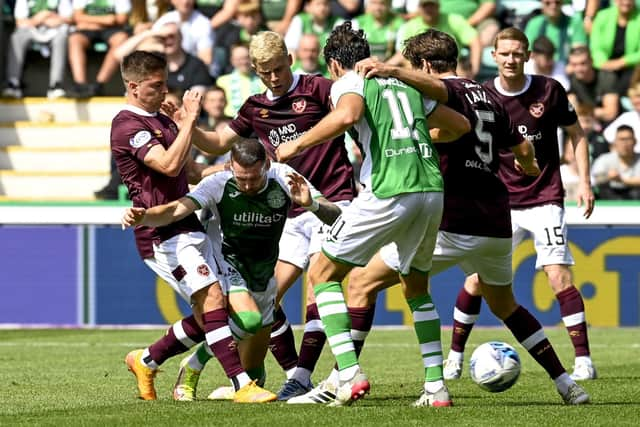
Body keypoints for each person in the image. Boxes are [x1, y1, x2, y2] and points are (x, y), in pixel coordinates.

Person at [346, 28, 590, 406]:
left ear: (425, 66)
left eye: (415, 67)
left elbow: (443, 99)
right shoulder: (489, 95)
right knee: (506, 305)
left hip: (453, 219)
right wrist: (527, 165)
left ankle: (344, 377)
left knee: (360, 283)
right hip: (495, 221)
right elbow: (523, 146)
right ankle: (567, 384)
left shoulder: (451, 92)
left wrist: (391, 71)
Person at [275, 21, 471, 406]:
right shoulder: (405, 83)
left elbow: (347, 116)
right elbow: (460, 126)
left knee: (323, 273)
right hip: (430, 190)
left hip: (388, 189)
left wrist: (295, 145)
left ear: (333, 64)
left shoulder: (349, 81)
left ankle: (347, 375)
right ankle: (435, 386)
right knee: (415, 286)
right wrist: (420, 138)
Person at [170, 30, 359, 402]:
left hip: (330, 203)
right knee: (262, 302)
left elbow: (346, 116)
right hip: (288, 214)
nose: (274, 78)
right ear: (255, 70)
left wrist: (301, 144)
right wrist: (187, 125)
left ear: (289, 58)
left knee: (318, 290)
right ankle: (252, 379)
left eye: (277, 69)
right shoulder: (255, 107)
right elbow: (218, 143)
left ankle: (301, 376)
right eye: (265, 72)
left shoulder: (318, 88)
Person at [121, 138, 342, 402]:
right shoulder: (218, 183)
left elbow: (335, 214)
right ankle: (194, 366)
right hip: (226, 263)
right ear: (230, 167)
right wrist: (144, 216)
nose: (247, 185)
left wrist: (311, 204)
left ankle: (150, 358)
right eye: (241, 178)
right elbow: (176, 210)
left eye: (253, 178)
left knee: (255, 369)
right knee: (248, 321)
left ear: (267, 165)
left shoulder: (285, 178)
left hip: (262, 271)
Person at [112, 50, 275, 403]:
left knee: (212, 314)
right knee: (214, 301)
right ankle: (241, 385)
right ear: (133, 86)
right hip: (160, 230)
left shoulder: (164, 121)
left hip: (189, 223)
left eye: (165, 82)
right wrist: (189, 119)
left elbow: (192, 173)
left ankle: (146, 359)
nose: (164, 90)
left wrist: (241, 174)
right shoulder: (127, 125)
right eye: (156, 86)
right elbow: (168, 166)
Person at [439, 27, 597, 383]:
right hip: (499, 203)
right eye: (504, 53)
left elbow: (577, 133)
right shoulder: (482, 94)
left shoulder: (549, 91)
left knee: (558, 275)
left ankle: (584, 360)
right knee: (477, 281)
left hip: (545, 198)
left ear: (528, 56)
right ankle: (454, 357)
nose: (511, 59)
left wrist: (585, 182)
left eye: (517, 53)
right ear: (493, 55)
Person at [392, 0, 482, 79]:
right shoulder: (409, 26)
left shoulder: (453, 20)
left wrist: (474, 70)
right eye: (425, 6)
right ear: (419, 8)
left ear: (438, 7)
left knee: (461, 72)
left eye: (432, 6)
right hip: (420, 66)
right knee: (406, 63)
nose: (429, 10)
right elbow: (402, 53)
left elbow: (474, 41)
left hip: (450, 65)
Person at [2, 0, 72, 99]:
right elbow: (19, 22)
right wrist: (40, 18)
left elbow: (69, 18)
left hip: (54, 29)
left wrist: (51, 17)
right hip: (31, 29)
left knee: (62, 38)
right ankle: (13, 83)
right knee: (16, 37)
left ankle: (56, 85)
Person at [67, 0, 132, 97]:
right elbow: (77, 17)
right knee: (74, 39)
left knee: (121, 39)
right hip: (90, 28)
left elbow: (121, 19)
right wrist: (105, 20)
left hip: (111, 29)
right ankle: (80, 85)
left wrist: (88, 21)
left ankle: (98, 85)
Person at [589, 0, 640, 95]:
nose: (626, 2)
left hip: (630, 66)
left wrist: (623, 62)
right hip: (605, 65)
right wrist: (604, 63)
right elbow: (595, 47)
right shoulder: (602, 16)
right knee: (606, 77)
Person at [567, 46, 620, 126]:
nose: (579, 69)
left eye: (583, 63)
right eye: (574, 64)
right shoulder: (572, 79)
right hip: (586, 123)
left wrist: (582, 111)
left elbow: (611, 113)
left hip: (610, 124)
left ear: (591, 61)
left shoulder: (607, 78)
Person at [592, 125, 640, 199]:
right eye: (621, 139)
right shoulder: (604, 159)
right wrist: (608, 177)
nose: (625, 143)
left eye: (628, 139)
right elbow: (596, 179)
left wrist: (621, 180)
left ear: (635, 141)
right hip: (609, 198)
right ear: (614, 142)